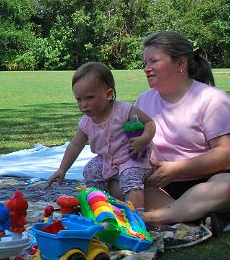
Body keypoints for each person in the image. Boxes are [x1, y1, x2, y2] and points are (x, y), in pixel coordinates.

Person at [135, 30, 230, 233]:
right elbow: (134, 140)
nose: (147, 69)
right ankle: (195, 216)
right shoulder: (144, 100)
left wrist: (176, 169)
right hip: (160, 187)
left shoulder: (212, 99)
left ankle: (153, 217)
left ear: (181, 63)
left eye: (153, 61)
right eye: (145, 63)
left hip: (208, 183)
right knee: (115, 181)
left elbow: (228, 153)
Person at [47, 62, 155, 211]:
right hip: (107, 159)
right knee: (90, 170)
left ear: (108, 94)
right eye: (79, 99)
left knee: (130, 177)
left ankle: (136, 216)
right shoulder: (86, 121)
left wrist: (144, 139)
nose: (83, 104)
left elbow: (149, 123)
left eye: (89, 98)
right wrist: (62, 169)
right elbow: (75, 145)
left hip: (132, 157)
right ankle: (100, 205)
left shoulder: (124, 111)